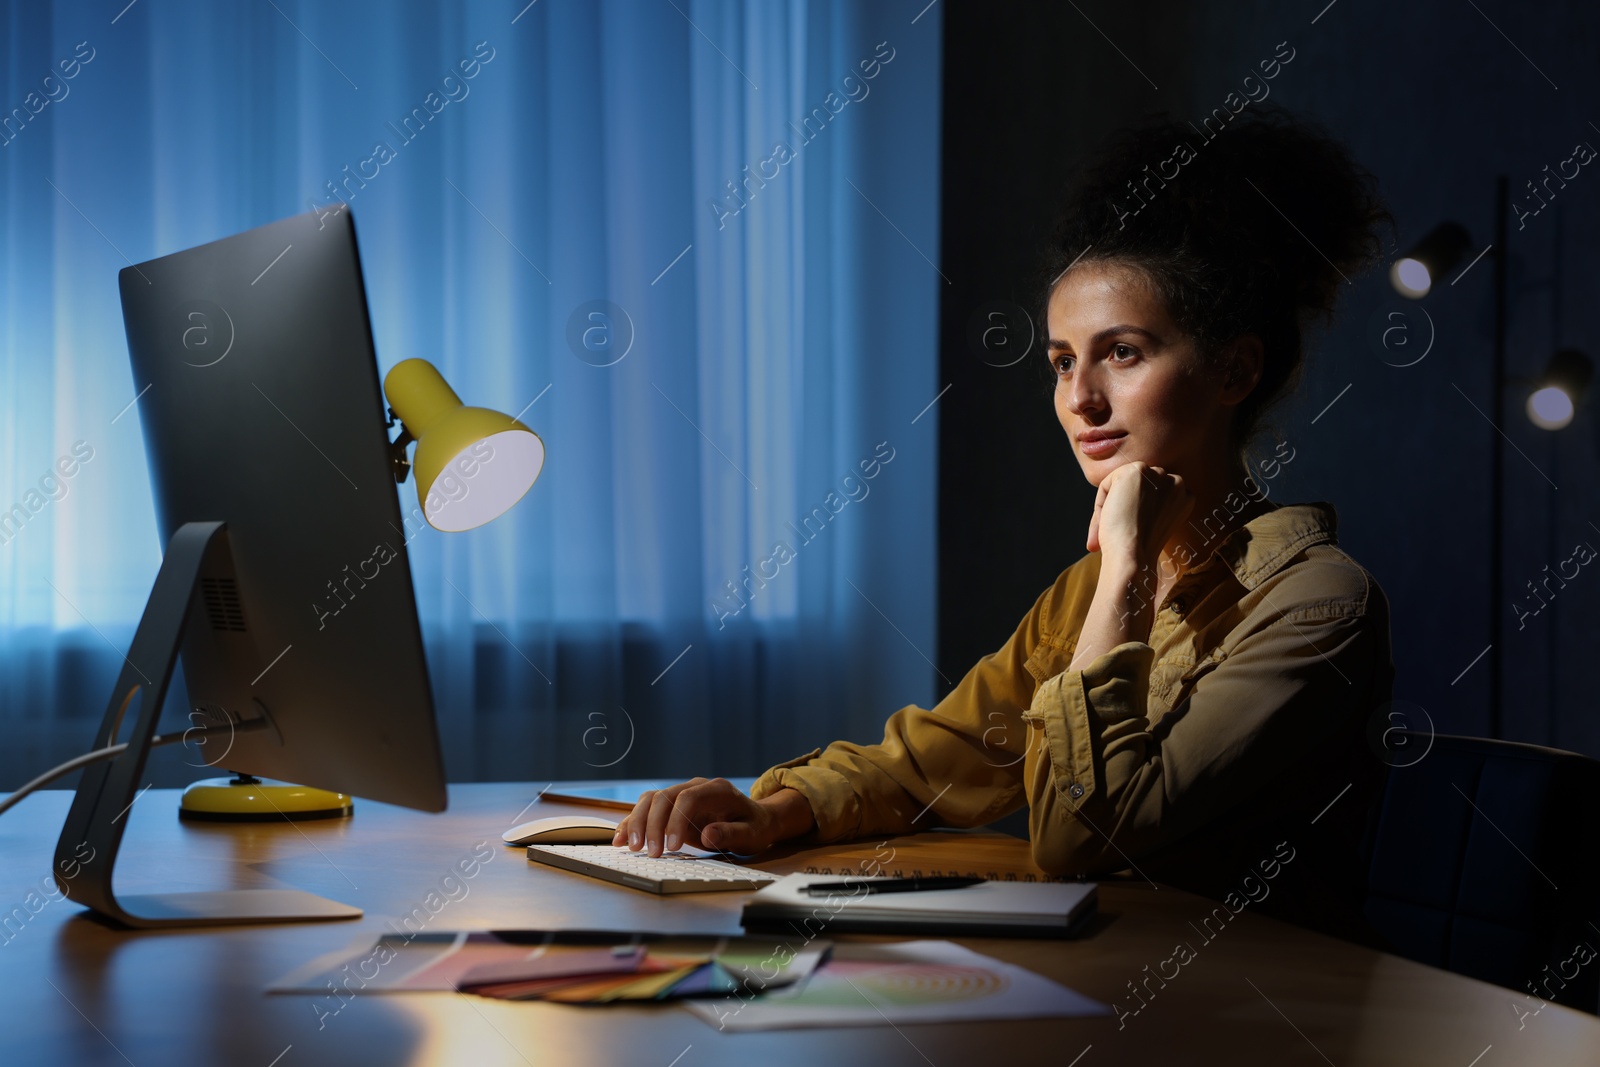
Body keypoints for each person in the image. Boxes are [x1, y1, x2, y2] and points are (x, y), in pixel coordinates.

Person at [614, 105, 1398, 942]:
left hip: (1256, 1009)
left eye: (1122, 352)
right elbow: (927, 765)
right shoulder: (1083, 594)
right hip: (1104, 981)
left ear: (1234, 368)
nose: (1080, 399)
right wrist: (770, 810)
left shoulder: (1317, 605)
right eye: (1063, 361)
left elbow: (1083, 833)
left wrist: (1128, 568)